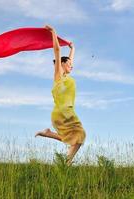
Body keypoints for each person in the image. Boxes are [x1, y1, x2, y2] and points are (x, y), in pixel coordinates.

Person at [35, 25, 86, 166]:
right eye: (69, 63)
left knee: (79, 138)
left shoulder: (67, 76)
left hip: (68, 112)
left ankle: (65, 163)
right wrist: (53, 32)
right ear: (62, 64)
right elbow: (57, 51)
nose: (72, 65)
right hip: (61, 113)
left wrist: (72, 49)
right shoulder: (58, 75)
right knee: (78, 137)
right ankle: (66, 164)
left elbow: (70, 59)